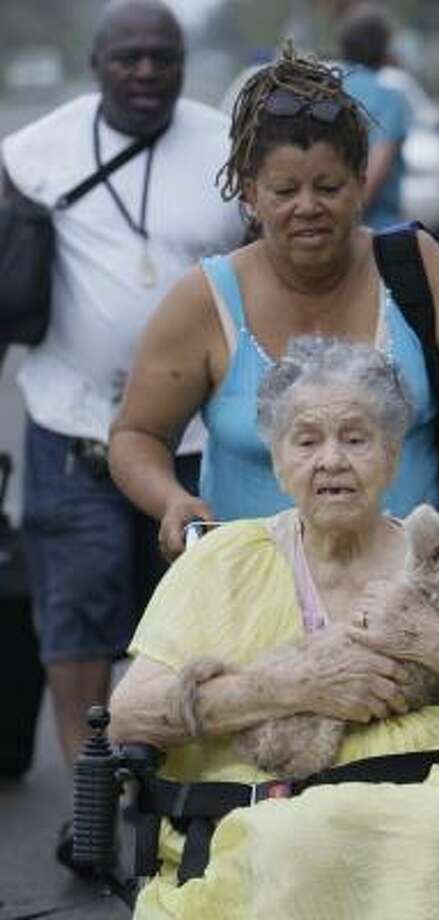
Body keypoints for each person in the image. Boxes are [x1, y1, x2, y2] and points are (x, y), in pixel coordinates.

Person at [109, 337, 439, 920]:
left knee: (428, 841)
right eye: (307, 441)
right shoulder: (223, 559)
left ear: (392, 453)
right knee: (296, 843)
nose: (331, 460)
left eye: (356, 438)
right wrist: (295, 685)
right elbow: (130, 717)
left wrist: (438, 644)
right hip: (264, 824)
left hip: (429, 826)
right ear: (278, 459)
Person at [108, 42, 439, 564]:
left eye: (328, 187)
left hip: (410, 599)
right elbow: (137, 434)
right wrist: (172, 500)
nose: (308, 208)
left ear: (360, 184)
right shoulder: (205, 301)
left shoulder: (417, 269)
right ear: (249, 194)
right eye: (284, 191)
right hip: (256, 605)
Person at [0, 0, 243, 868]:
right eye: (129, 58)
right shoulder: (31, 156)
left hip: (193, 447)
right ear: (98, 62)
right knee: (74, 624)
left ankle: (166, 790)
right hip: (72, 431)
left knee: (171, 625)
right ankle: (91, 795)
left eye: (163, 58)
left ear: (183, 64)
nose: (146, 73)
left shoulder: (226, 148)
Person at [337, 4, 410, 230]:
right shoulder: (389, 99)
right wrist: (347, 221)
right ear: (383, 49)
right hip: (373, 231)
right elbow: (376, 168)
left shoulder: (328, 88)